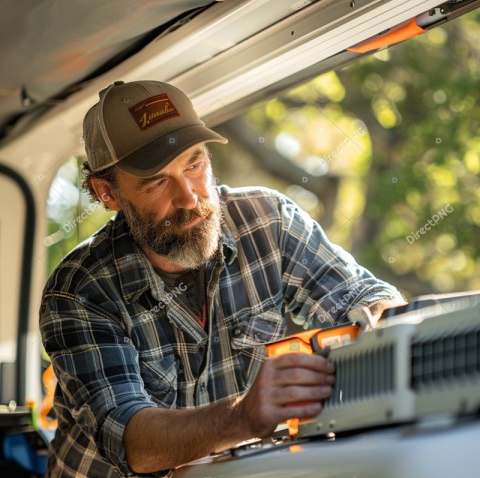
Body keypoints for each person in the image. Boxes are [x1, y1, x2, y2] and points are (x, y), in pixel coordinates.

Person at [40, 80, 405, 477]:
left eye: (194, 164)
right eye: (157, 181)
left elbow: (362, 297)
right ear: (107, 193)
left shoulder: (269, 222)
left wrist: (385, 323)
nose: (190, 198)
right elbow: (131, 439)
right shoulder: (78, 292)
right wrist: (243, 418)